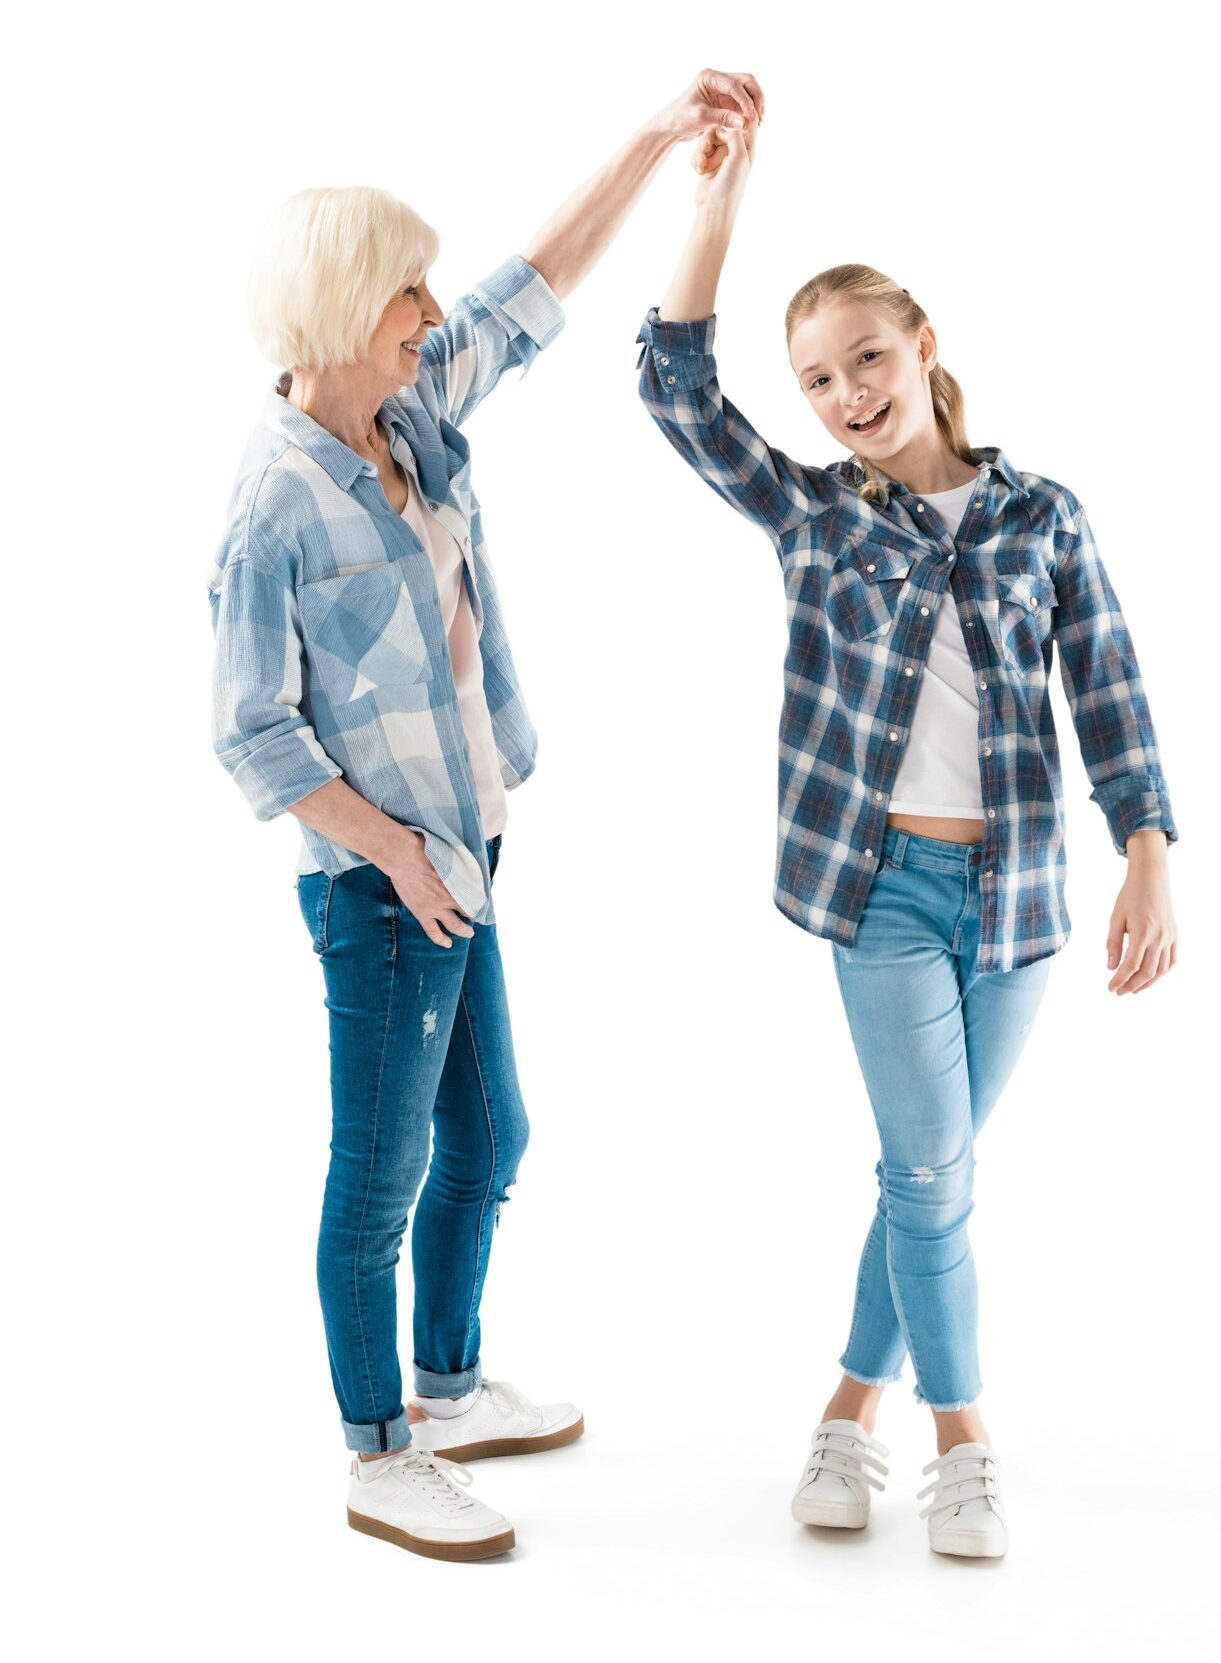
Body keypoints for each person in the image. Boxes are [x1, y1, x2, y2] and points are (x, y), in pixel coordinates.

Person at [209, 69, 765, 1563]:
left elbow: (538, 288)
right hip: (388, 890)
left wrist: (658, 143)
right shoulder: (273, 505)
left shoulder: (414, 413)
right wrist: (392, 853)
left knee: (493, 1129)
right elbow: (250, 735)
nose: (429, 307)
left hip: (470, 851)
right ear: (338, 305)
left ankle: (448, 1389)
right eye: (404, 286)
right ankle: (377, 1452)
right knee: (374, 1183)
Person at [636, 116, 1178, 1559]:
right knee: (934, 1173)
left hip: (1017, 911)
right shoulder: (814, 519)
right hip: (878, 894)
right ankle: (965, 1442)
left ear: (925, 344)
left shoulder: (1042, 519)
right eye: (815, 380)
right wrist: (721, 196)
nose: (844, 396)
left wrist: (1148, 851)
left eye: (866, 360)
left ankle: (838, 1413)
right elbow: (679, 393)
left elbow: (1109, 688)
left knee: (920, 1172)